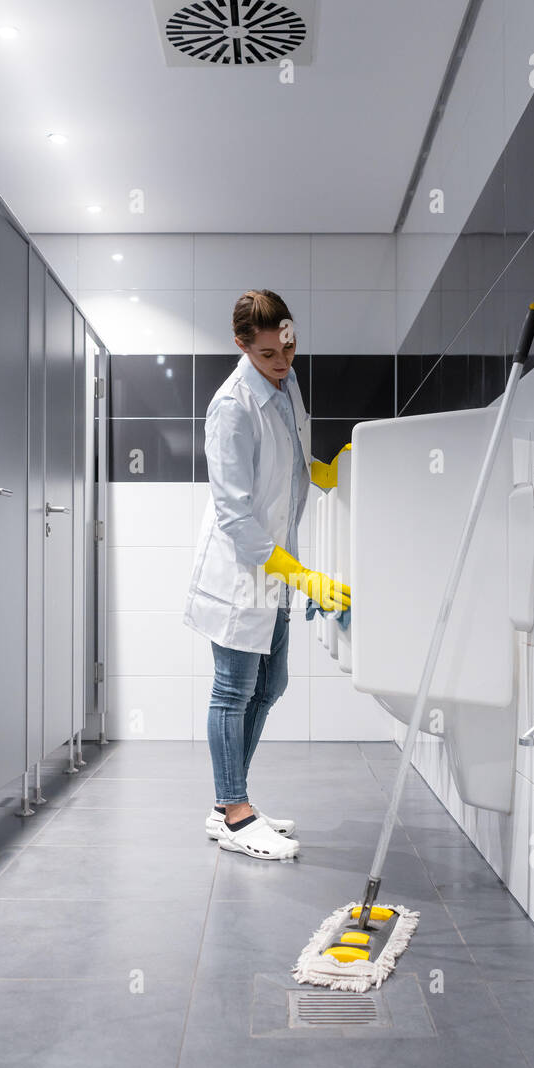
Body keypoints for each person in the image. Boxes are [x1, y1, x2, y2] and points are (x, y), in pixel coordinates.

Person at [184, 289, 351, 861]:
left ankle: (231, 801)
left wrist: (331, 472)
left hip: (273, 565)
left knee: (270, 684)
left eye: (289, 348)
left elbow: (294, 462)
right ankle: (234, 813)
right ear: (241, 346)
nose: (283, 363)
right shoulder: (231, 406)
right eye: (268, 356)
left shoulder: (285, 384)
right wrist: (302, 576)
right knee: (233, 689)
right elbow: (234, 513)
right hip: (242, 566)